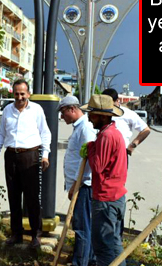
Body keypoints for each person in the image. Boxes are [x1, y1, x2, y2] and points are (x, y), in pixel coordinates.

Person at [0, 79, 51, 248]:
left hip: (30, 156)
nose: (19, 97)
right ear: (13, 93)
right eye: (17, 94)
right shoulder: (7, 111)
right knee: (14, 196)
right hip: (11, 156)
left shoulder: (36, 110)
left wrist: (45, 155)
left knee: (32, 197)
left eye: (22, 94)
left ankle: (36, 235)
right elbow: (1, 135)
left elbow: (45, 134)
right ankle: (16, 234)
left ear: (28, 94)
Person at [79, 94, 127, 266]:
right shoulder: (110, 133)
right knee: (113, 244)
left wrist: (91, 147)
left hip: (107, 199)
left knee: (103, 246)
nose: (89, 118)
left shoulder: (106, 136)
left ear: (101, 116)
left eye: (91, 114)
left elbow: (98, 167)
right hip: (114, 197)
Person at [59, 96, 97, 266]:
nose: (62, 116)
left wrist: (75, 184)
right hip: (80, 184)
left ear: (72, 109)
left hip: (84, 185)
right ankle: (82, 258)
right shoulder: (79, 127)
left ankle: (80, 262)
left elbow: (88, 161)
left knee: (82, 227)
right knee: (81, 225)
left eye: (63, 112)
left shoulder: (86, 128)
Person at [102, 88, 151, 157]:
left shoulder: (128, 114)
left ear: (117, 101)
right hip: (103, 152)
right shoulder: (101, 113)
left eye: (111, 104)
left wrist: (133, 144)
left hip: (120, 153)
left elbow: (146, 130)